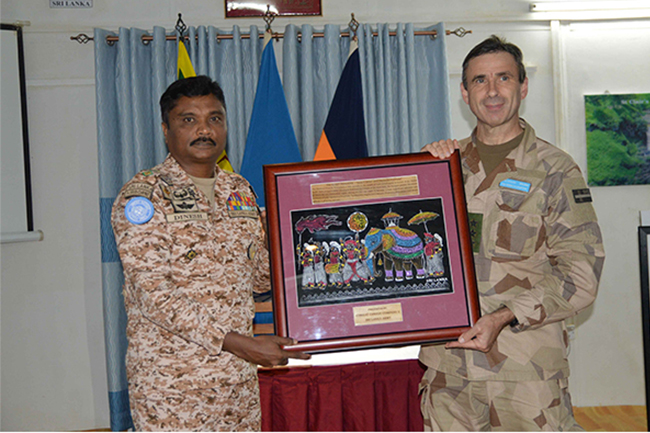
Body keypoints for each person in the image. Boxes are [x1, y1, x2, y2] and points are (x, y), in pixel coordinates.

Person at [419, 36, 605, 431]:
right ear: (464, 93)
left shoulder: (556, 170)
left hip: (525, 374)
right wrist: (416, 174)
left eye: (503, 78)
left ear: (522, 86)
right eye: (479, 80)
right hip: (449, 374)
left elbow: (581, 275)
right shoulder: (441, 167)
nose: (492, 91)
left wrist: (504, 317)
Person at [111, 75, 310, 431]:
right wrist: (240, 344)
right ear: (165, 129)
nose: (204, 129)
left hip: (237, 384)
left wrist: (301, 253)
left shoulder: (241, 191)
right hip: (173, 388)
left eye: (215, 118)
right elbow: (154, 295)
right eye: (189, 119)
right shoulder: (142, 197)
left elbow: (260, 276)